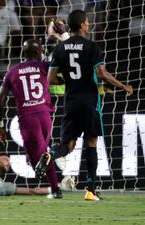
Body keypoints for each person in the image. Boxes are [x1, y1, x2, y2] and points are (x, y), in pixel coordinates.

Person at [35, 10, 133, 201]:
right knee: (91, 142)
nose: (89, 24)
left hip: (71, 102)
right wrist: (123, 86)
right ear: (82, 25)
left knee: (68, 145)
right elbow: (102, 74)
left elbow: (51, 79)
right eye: (87, 22)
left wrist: (70, 81)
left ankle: (51, 154)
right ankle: (91, 190)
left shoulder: (60, 49)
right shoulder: (91, 47)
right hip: (89, 102)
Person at [0, 39, 62, 198]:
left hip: (27, 118)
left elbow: (0, 102)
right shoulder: (46, 67)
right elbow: (61, 75)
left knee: (36, 160)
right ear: (39, 52)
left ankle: (55, 187)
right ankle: (55, 189)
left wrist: (0, 125)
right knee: (44, 153)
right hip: (46, 115)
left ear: (24, 53)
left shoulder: (13, 71)